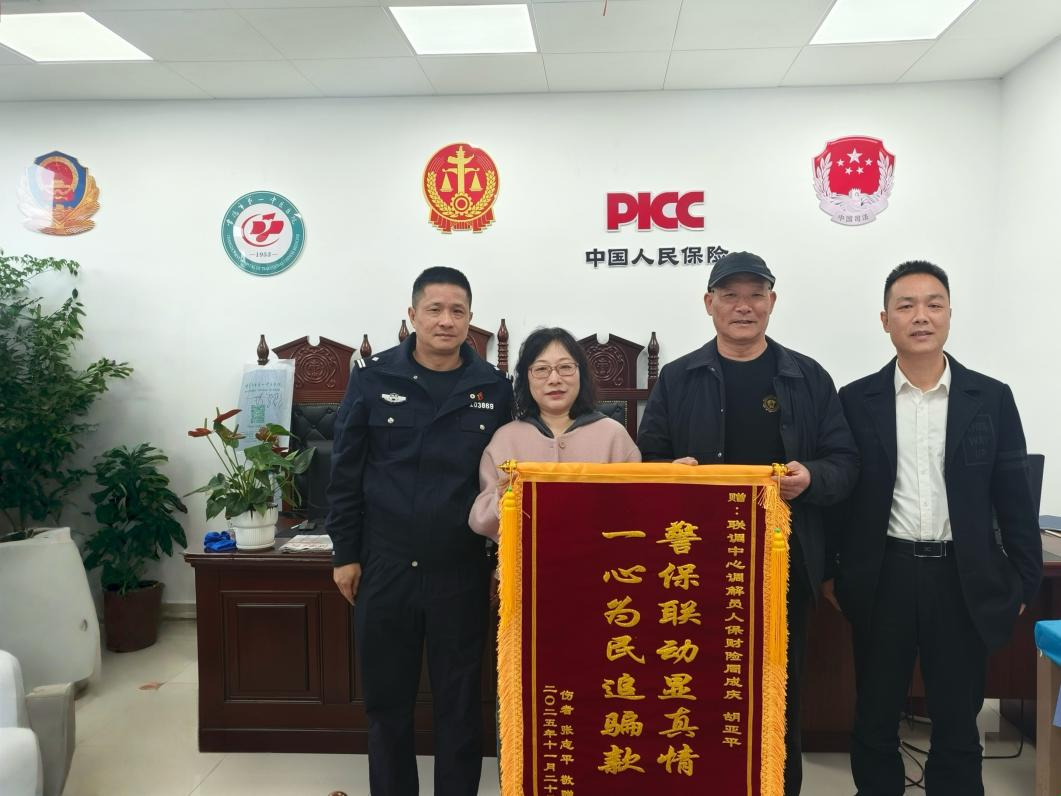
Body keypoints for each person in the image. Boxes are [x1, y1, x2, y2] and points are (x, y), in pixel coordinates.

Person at [636, 250, 858, 796]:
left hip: (785, 565)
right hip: (696, 567)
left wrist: (812, 478)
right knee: (697, 687)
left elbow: (845, 463)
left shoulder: (808, 377)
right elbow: (647, 461)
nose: (744, 306)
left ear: (772, 302)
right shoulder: (679, 378)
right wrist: (672, 475)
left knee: (780, 690)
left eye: (755, 295)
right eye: (730, 295)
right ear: (708, 303)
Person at [823, 261, 1042, 796]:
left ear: (949, 315)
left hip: (961, 578)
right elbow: (839, 497)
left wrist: (1024, 582)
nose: (920, 316)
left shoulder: (991, 397)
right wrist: (832, 573)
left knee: (958, 720)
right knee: (875, 715)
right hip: (884, 576)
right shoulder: (855, 399)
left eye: (933, 304)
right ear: (885, 320)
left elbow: (1014, 497)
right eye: (906, 306)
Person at [326, 266, 513, 796]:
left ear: (471, 319)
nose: (445, 321)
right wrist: (345, 553)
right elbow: (345, 471)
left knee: (460, 706)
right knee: (387, 706)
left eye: (457, 311)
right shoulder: (373, 377)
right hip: (386, 567)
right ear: (412, 315)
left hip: (461, 569)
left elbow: (504, 483)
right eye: (434, 309)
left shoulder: (494, 387)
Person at [470, 326, 641, 542]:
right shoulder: (505, 439)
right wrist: (504, 500)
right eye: (541, 369)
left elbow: (637, 508)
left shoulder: (613, 436)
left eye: (565, 367)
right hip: (525, 559)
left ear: (582, 374)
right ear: (526, 378)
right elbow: (479, 520)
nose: (554, 379)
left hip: (600, 558)